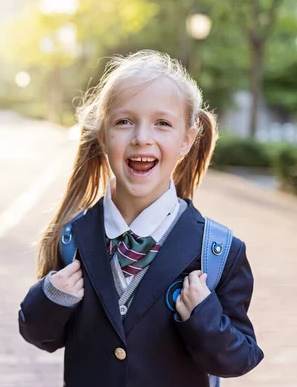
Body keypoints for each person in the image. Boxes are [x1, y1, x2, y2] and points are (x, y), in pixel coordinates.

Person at [17, 50, 264, 387]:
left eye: (162, 123)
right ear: (103, 136)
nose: (141, 138)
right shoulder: (72, 239)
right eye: (124, 121)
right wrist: (51, 297)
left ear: (187, 140)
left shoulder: (218, 251)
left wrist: (203, 317)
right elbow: (40, 335)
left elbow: (240, 357)